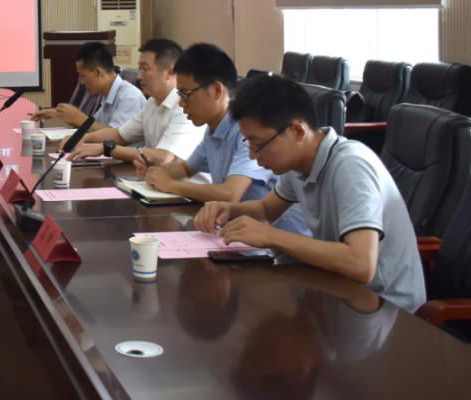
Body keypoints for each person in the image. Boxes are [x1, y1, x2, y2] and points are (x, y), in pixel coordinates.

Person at [195, 74, 425, 312]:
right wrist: (228, 209)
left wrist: (271, 236)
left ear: (297, 131)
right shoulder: (299, 163)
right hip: (339, 290)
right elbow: (266, 209)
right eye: (249, 144)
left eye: (258, 144)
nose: (253, 155)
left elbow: (361, 263)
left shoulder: (351, 166)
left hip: (387, 308)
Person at [134, 43, 308, 235]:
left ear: (217, 90)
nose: (181, 104)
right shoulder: (212, 128)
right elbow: (185, 169)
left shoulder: (248, 130)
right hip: (243, 233)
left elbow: (230, 194)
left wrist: (171, 185)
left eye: (186, 94)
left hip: (278, 241)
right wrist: (157, 171)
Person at [69, 38, 206, 171]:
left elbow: (163, 157)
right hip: (155, 180)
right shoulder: (152, 102)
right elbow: (120, 135)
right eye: (139, 68)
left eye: (145, 69)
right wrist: (83, 138)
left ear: (170, 72)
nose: (139, 76)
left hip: (182, 185)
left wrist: (107, 149)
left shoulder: (184, 107)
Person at [33, 41, 144, 129]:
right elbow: (93, 127)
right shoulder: (107, 94)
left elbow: (117, 137)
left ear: (98, 72)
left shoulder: (129, 97)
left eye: (83, 76)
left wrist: (79, 118)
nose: (82, 82)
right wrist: (61, 115)